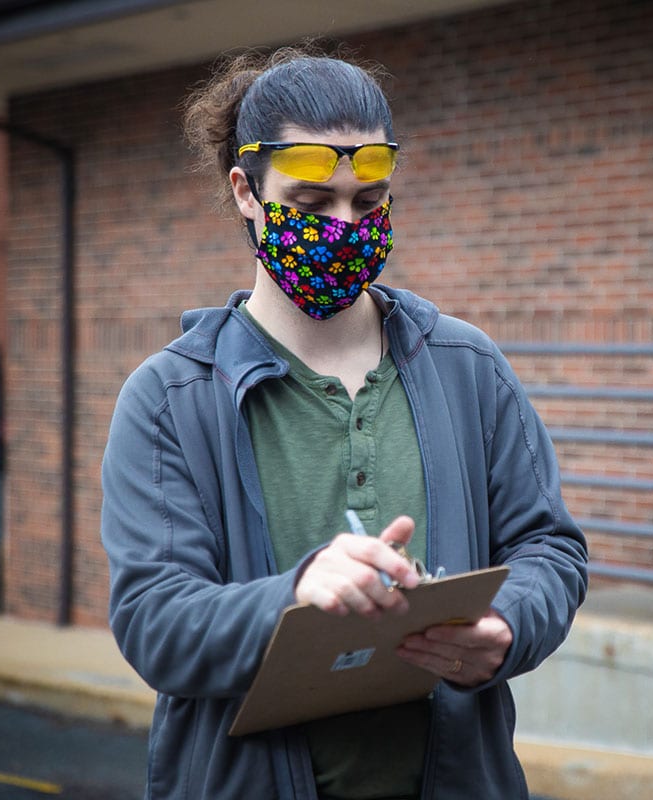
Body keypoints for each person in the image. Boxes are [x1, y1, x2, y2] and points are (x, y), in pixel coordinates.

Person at [101, 48, 588, 800]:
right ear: (245, 191)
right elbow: (154, 620)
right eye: (312, 200)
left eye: (367, 202)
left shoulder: (468, 366)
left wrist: (508, 626)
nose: (343, 225)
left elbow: (550, 547)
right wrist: (295, 597)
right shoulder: (169, 398)